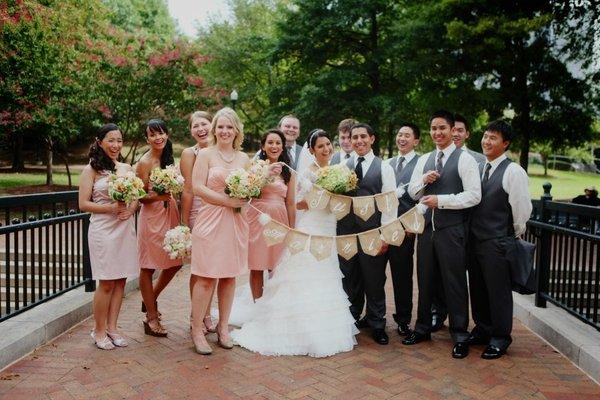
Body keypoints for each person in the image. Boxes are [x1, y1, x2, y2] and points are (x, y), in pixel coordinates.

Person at [231, 129, 358, 357]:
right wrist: (314, 203)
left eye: (328, 144)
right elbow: (299, 203)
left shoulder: (335, 171)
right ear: (311, 150)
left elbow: (293, 203)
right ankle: (272, 314)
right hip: (298, 223)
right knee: (292, 271)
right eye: (320, 146)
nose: (326, 149)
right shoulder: (304, 173)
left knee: (324, 272)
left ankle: (324, 325)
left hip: (327, 227)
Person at [404, 110, 481, 359]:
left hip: (452, 231)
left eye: (443, 128)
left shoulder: (465, 159)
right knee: (425, 280)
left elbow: (473, 195)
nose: (438, 133)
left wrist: (442, 200)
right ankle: (423, 328)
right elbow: (413, 193)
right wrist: (423, 180)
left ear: (452, 130)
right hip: (426, 231)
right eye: (434, 128)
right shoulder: (424, 159)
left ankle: (459, 335)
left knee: (455, 282)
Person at [190, 107, 257, 355]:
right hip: (210, 220)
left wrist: (247, 194)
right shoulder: (206, 155)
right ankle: (197, 329)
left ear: (236, 130)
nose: (225, 131)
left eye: (229, 127)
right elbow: (197, 187)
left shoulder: (244, 159)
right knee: (206, 277)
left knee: (229, 277)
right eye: (221, 127)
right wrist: (225, 200)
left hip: (236, 222)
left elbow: (251, 190)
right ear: (214, 129)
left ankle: (223, 328)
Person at [468, 120, 532, 359]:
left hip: (497, 241)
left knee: (498, 292)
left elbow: (521, 209)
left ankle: (500, 337)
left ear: (505, 143)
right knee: (478, 288)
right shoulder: (478, 167)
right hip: (474, 242)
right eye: (485, 136)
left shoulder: (514, 171)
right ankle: (483, 329)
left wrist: (508, 234)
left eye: (493, 137)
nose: (487, 141)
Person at [79, 124, 139, 350]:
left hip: (124, 228)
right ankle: (99, 330)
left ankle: (113, 328)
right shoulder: (91, 170)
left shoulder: (126, 168)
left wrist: (130, 209)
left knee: (121, 279)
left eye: (119, 141)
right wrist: (111, 209)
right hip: (103, 229)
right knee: (105, 282)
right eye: (111, 140)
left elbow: (136, 196)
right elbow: (83, 203)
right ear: (100, 141)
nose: (116, 145)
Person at [337, 123, 397, 345]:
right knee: (350, 279)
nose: (359, 141)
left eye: (363, 136)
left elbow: (390, 204)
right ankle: (352, 319)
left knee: (374, 280)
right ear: (350, 141)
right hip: (346, 233)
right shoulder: (343, 167)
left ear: (372, 139)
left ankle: (377, 323)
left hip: (372, 233)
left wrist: (385, 236)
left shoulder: (384, 168)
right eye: (355, 137)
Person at [136, 119, 183, 337]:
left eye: (162, 133)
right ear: (147, 138)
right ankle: (151, 318)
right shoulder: (144, 162)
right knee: (148, 266)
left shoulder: (168, 156)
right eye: (153, 135)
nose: (158, 138)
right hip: (152, 217)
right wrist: (158, 195)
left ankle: (150, 298)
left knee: (175, 262)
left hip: (170, 213)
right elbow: (138, 196)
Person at [247, 129, 296, 300]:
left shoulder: (288, 172)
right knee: (257, 264)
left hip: (279, 219)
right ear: (263, 146)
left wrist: (291, 228)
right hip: (257, 217)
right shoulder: (254, 168)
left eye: (278, 143)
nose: (274, 146)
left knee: (276, 265)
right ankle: (256, 304)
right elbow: (249, 193)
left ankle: (272, 307)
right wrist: (265, 174)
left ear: (283, 147)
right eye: (270, 142)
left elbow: (290, 202)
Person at [179, 111, 216, 334]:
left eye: (204, 124)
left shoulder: (219, 151)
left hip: (218, 212)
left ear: (211, 125)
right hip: (198, 213)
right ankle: (196, 315)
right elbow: (187, 189)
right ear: (191, 130)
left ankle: (207, 313)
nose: (201, 129)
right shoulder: (188, 153)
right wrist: (185, 222)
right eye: (196, 126)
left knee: (215, 268)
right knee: (199, 269)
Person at [385, 123, 420, 337]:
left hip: (405, 228)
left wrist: (413, 225)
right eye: (399, 134)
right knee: (376, 274)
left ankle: (403, 319)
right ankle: (374, 314)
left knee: (402, 275)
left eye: (407, 135)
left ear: (415, 140)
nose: (402, 138)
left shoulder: (421, 163)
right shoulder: (387, 163)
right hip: (382, 227)